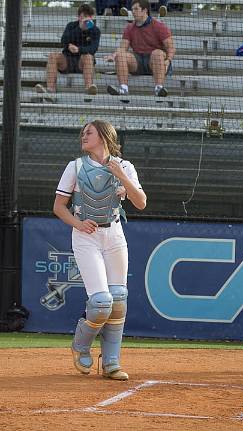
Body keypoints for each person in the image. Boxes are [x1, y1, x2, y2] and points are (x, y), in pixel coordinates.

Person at [53, 120, 147, 380]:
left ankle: (112, 362)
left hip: (114, 234)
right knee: (101, 302)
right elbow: (59, 206)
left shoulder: (124, 166)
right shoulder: (75, 167)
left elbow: (141, 202)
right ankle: (81, 346)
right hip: (87, 237)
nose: (84, 136)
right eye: (83, 132)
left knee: (118, 299)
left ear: (104, 136)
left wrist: (121, 175)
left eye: (89, 132)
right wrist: (78, 223)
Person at [106, 0, 175, 98]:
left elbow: (171, 47)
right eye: (132, 9)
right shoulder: (129, 27)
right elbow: (123, 47)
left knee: (157, 53)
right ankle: (123, 89)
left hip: (156, 62)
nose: (133, 12)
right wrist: (113, 55)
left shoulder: (159, 26)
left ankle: (159, 89)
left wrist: (168, 60)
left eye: (136, 9)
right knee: (121, 56)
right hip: (138, 61)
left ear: (145, 11)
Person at [34, 3, 101, 102]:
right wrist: (79, 29)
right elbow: (63, 41)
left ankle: (88, 90)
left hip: (82, 64)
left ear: (92, 17)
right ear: (79, 17)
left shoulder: (95, 30)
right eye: (83, 16)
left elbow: (93, 49)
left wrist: (79, 49)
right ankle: (50, 91)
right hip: (67, 60)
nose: (85, 19)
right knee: (53, 56)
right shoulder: (71, 26)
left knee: (88, 57)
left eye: (88, 16)